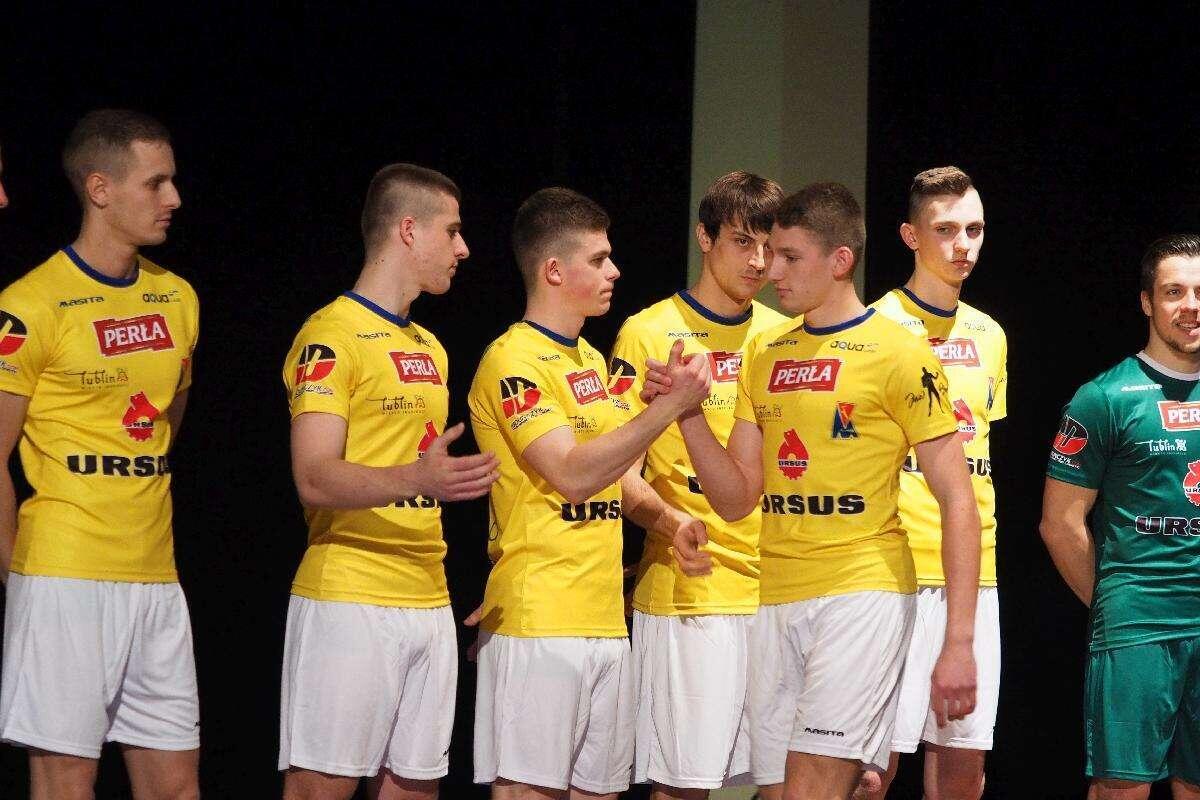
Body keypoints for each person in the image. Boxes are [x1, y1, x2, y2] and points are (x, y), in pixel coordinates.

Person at [656, 182, 980, 800]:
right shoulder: (764, 351)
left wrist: (958, 642)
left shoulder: (901, 353)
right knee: (780, 793)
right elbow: (736, 499)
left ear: (840, 261)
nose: (771, 270)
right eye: (770, 254)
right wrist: (687, 412)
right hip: (775, 596)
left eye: (789, 257)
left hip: (862, 594)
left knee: (813, 788)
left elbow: (957, 499)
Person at [467, 187, 712, 800]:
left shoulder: (589, 361)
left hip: (604, 620)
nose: (615, 271)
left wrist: (670, 521)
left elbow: (616, 480)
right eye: (599, 259)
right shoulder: (512, 360)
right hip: (538, 622)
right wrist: (669, 410)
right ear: (554, 270)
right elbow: (572, 474)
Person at [278, 163, 497, 800]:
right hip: (349, 596)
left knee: (415, 789)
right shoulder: (329, 335)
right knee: (319, 789)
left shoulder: (431, 346)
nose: (463, 248)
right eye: (451, 231)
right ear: (408, 230)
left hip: (427, 598)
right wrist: (417, 477)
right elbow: (313, 477)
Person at [0, 109, 200, 799]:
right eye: (156, 183)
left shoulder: (178, 298)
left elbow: (166, 422)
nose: (174, 198)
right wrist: (20, 575)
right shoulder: (30, 305)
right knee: (65, 784)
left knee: (176, 787)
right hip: (65, 575)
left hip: (156, 576)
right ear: (100, 188)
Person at [606, 170, 787, 799]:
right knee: (684, 787)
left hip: (779, 593)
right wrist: (668, 521)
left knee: (790, 783)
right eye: (742, 241)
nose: (758, 261)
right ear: (704, 238)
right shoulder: (648, 332)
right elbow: (615, 469)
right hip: (692, 593)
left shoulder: (782, 336)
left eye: (768, 246)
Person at [859, 166, 1007, 800]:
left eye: (974, 229)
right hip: (891, 573)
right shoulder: (873, 327)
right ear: (910, 236)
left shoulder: (990, 334)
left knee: (963, 767)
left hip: (975, 576)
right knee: (870, 772)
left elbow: (977, 459)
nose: (963, 245)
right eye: (945, 230)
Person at [1041, 234, 1200, 800]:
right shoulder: (1104, 398)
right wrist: (1118, 605)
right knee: (1121, 789)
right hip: (1138, 625)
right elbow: (1059, 524)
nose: (1191, 306)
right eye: (1174, 292)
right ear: (1146, 302)